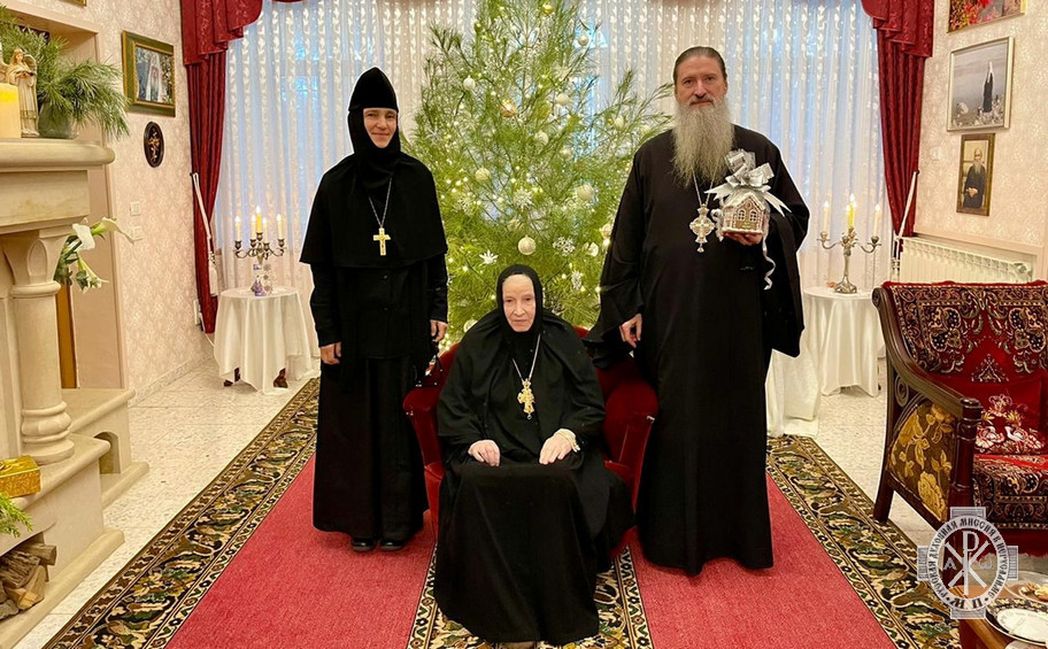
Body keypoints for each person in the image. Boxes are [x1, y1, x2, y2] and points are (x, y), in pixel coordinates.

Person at [587, 46, 809, 575]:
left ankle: (737, 535)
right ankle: (670, 537)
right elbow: (626, 241)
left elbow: (795, 219)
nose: (700, 90)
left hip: (738, 322)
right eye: (688, 82)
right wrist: (627, 306)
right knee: (675, 424)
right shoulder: (651, 157)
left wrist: (764, 232)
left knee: (735, 425)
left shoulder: (759, 151)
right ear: (676, 91)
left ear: (725, 85)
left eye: (709, 79)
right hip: (670, 320)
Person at [434, 265, 632, 649]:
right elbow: (454, 403)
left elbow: (590, 403)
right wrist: (473, 441)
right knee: (473, 481)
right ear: (500, 301)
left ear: (538, 299)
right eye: (510, 301)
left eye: (527, 300)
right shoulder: (480, 340)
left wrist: (568, 433)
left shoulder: (560, 338)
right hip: (496, 456)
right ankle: (505, 617)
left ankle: (555, 608)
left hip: (551, 453)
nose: (519, 310)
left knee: (558, 481)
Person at [300, 67, 448, 552]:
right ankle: (360, 522)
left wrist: (437, 307)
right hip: (355, 329)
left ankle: (399, 522)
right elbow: (322, 269)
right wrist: (326, 331)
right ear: (356, 120)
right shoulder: (335, 184)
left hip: (405, 322)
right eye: (373, 115)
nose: (382, 125)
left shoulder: (417, 179)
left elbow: (434, 257)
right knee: (357, 426)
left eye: (389, 115)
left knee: (399, 423)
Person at [3, 48, 38, 136]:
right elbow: (9, 77)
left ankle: (30, 128)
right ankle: (22, 128)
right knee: (21, 105)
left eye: (21, 55)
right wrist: (18, 75)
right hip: (19, 87)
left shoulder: (25, 66)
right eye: (18, 56)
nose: (20, 57)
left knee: (28, 105)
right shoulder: (12, 66)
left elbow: (31, 77)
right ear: (15, 57)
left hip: (26, 88)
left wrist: (29, 75)